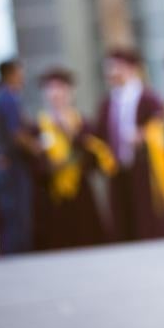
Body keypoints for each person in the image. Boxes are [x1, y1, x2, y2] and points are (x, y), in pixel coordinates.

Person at [94, 48, 164, 241]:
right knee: (121, 214)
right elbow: (99, 133)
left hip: (144, 165)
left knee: (146, 213)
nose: (112, 73)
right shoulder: (108, 102)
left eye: (116, 68)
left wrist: (144, 134)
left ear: (131, 69)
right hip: (117, 167)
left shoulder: (148, 98)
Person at [30, 67, 113, 250]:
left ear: (70, 92)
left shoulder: (81, 123)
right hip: (52, 201)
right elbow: (32, 166)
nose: (56, 94)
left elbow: (97, 160)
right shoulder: (38, 126)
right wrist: (49, 166)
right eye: (50, 89)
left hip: (81, 197)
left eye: (60, 88)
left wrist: (72, 135)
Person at [0, 58, 40, 256]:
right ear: (10, 74)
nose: (22, 77)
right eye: (19, 72)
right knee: (18, 217)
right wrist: (36, 147)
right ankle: (17, 257)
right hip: (12, 167)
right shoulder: (8, 98)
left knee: (12, 215)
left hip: (4, 167)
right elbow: (16, 133)